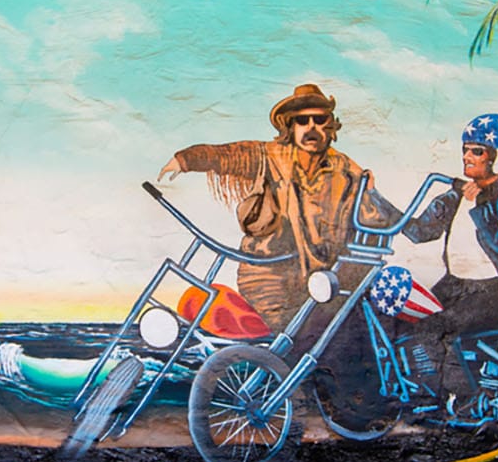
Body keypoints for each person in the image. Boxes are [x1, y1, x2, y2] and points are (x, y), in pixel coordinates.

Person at [158, 83, 402, 331]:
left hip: (323, 281)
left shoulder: (345, 168)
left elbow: (380, 219)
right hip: (270, 277)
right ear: (290, 126)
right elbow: (227, 155)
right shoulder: (269, 155)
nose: (311, 128)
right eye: (302, 121)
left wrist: (370, 192)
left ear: (329, 125)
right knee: (289, 337)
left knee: (335, 332)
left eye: (319, 119)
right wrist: (184, 160)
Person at [403, 112, 498, 322]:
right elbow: (419, 232)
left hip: (492, 289)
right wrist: (372, 197)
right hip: (453, 285)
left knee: (436, 327)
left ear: (497, 159)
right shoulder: (456, 195)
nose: (466, 157)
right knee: (407, 323)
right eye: (465, 150)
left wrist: (478, 203)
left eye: (477, 151)